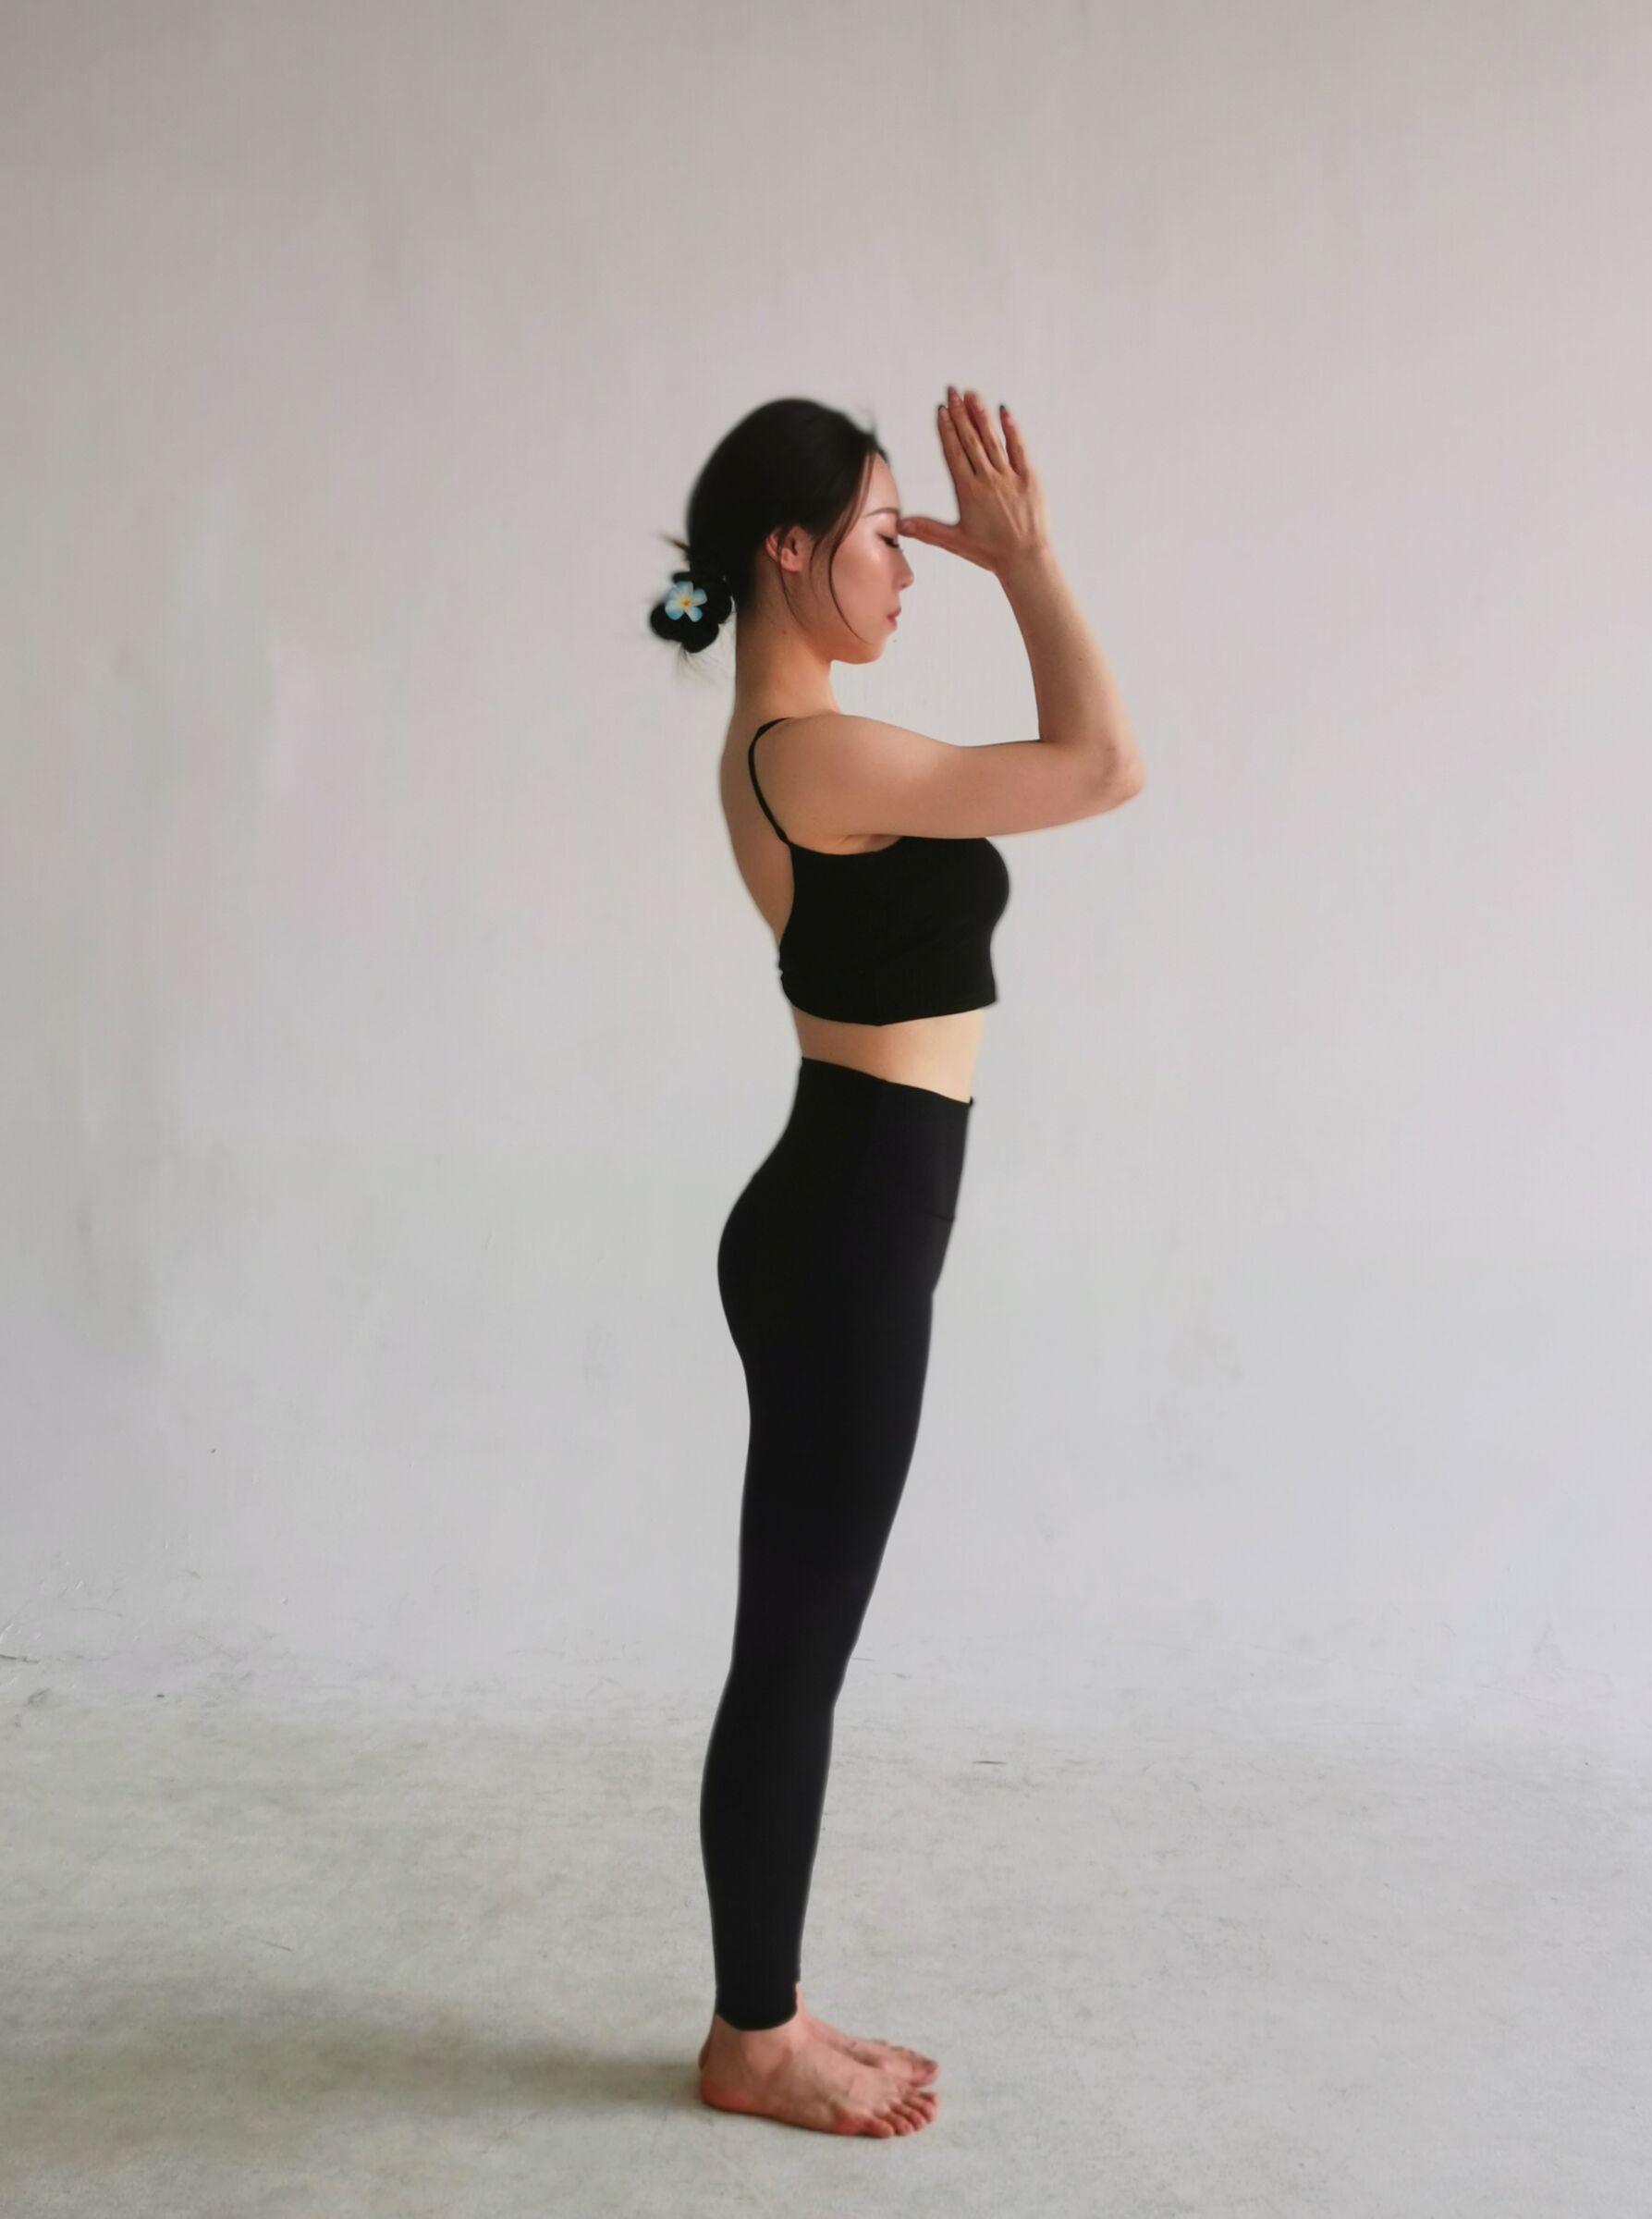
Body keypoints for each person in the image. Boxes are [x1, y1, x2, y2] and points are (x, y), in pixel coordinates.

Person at [649, 386, 1144, 2138]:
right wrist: (1029, 563)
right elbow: (1104, 765)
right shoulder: (813, 755)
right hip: (848, 1232)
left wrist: (1009, 562)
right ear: (790, 553)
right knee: (794, 1648)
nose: (908, 567)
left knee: (799, 1638)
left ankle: (767, 2010)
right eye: (882, 534)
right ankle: (753, 2038)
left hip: (846, 1212)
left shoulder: (802, 745)